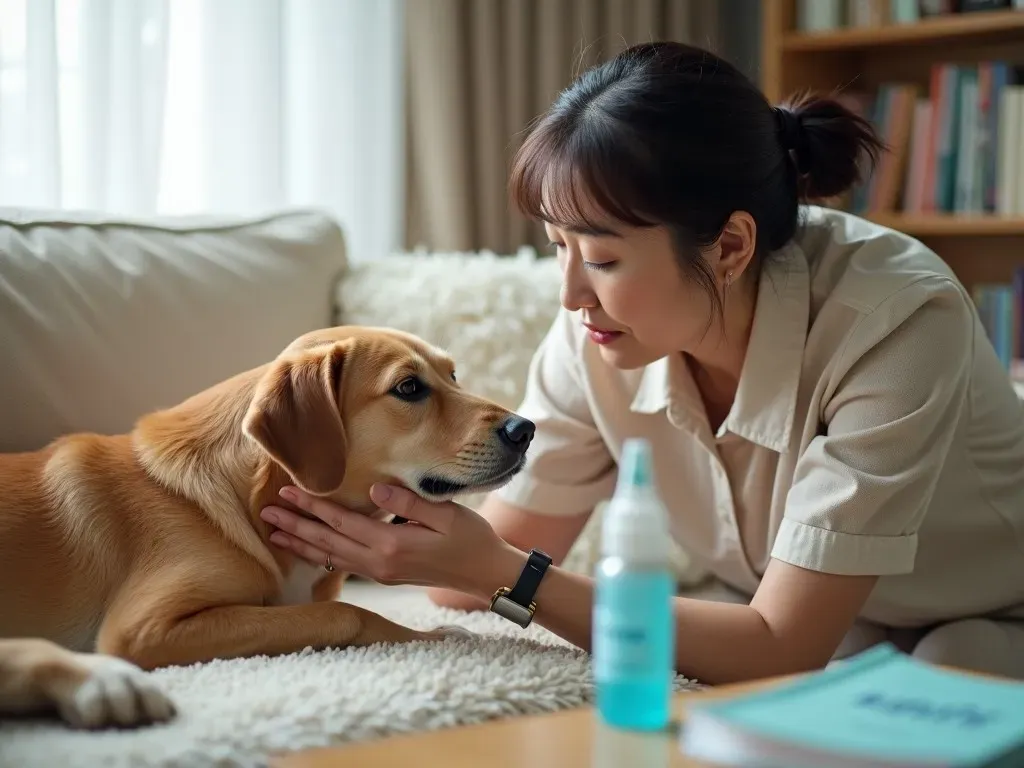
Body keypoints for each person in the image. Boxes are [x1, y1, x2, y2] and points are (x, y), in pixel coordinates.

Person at [258, 41, 1024, 685]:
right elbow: (488, 562)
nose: (570, 295)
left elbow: (782, 644)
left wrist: (502, 574)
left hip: (987, 613)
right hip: (825, 625)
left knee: (954, 661)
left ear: (729, 247)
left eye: (601, 257)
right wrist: (403, 538)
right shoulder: (595, 338)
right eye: (559, 248)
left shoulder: (893, 322)